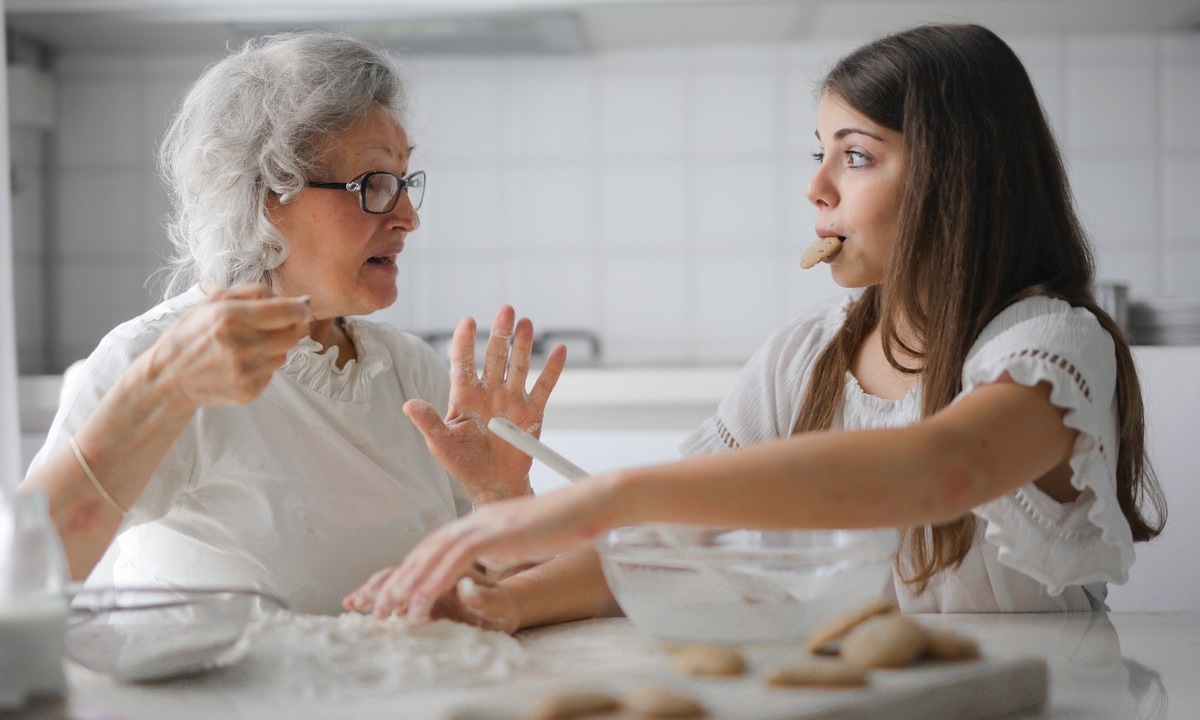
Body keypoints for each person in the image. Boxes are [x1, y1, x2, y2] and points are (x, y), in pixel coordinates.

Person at [345, 22, 1167, 628]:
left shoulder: (1050, 347)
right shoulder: (805, 357)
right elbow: (674, 541)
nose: (816, 188)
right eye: (817, 153)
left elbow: (943, 468)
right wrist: (506, 601)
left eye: (855, 155)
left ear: (959, 176)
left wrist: (612, 492)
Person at [17, 31, 565, 615]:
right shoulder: (154, 357)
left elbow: (493, 599)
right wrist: (160, 391)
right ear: (263, 197)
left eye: (405, 183)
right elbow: (21, 576)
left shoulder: (409, 371)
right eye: (374, 185)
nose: (408, 216)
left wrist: (501, 496)